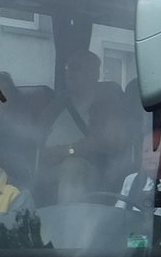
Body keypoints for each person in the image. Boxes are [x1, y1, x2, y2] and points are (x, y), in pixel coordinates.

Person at [41, 50, 124, 200]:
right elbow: (36, 141)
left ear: (94, 74)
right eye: (68, 68)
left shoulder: (107, 103)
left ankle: (68, 221)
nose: (70, 73)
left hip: (92, 169)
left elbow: (106, 141)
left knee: (73, 167)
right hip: (48, 168)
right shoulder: (56, 105)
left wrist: (67, 151)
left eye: (77, 67)